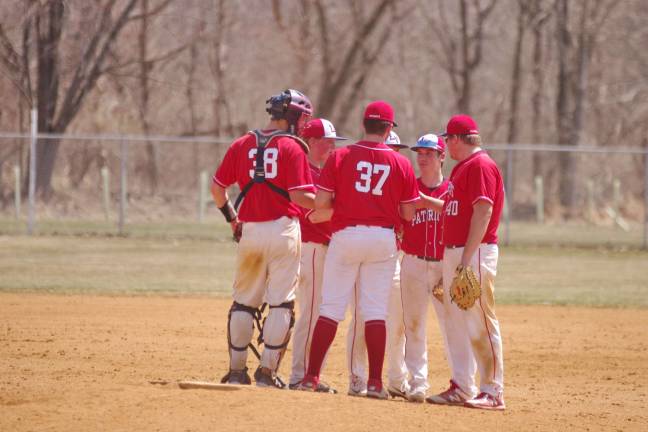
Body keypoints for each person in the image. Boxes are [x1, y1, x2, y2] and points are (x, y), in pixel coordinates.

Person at [297, 100, 419, 399]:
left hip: (346, 235)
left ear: (363, 125)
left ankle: (311, 377)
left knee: (330, 310)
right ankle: (376, 383)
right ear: (389, 128)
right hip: (382, 239)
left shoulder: (341, 156)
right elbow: (408, 213)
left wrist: (350, 204)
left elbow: (322, 203)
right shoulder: (401, 162)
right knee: (375, 312)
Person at [210, 89, 316, 388]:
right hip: (283, 230)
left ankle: (235, 372)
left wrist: (233, 220)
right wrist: (329, 204)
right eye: (304, 118)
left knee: (244, 303)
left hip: (251, 231)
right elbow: (299, 196)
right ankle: (267, 374)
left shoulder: (242, 143)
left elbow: (217, 190)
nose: (306, 125)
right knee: (281, 303)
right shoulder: (293, 148)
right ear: (293, 117)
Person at [426, 114, 506, 410]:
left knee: (481, 320)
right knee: (456, 322)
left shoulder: (481, 165)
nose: (446, 144)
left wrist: (466, 259)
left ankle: (493, 390)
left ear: (458, 139)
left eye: (447, 139)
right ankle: (462, 385)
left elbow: (483, 212)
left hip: (475, 251)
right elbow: (452, 209)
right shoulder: (462, 169)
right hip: (457, 252)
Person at [345, 129, 409, 398]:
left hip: (394, 259)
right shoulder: (365, 187)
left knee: (397, 321)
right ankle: (358, 378)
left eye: (395, 153)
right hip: (366, 258)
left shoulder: (402, 180)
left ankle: (397, 379)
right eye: (389, 151)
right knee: (362, 317)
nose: (392, 157)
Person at [288, 118, 347, 393]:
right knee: (310, 314)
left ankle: (312, 374)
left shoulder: (326, 172)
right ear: (311, 142)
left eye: (335, 141)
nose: (333, 146)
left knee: (322, 314)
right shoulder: (306, 172)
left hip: (329, 248)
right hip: (311, 248)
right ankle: (300, 375)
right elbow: (310, 216)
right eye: (327, 141)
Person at [398, 134, 450, 403]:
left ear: (442, 157)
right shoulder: (408, 188)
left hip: (443, 266)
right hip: (414, 264)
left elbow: (459, 211)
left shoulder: (451, 190)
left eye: (429, 153)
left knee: (452, 325)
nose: (422, 157)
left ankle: (462, 383)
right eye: (419, 152)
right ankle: (418, 383)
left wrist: (428, 203)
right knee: (413, 325)